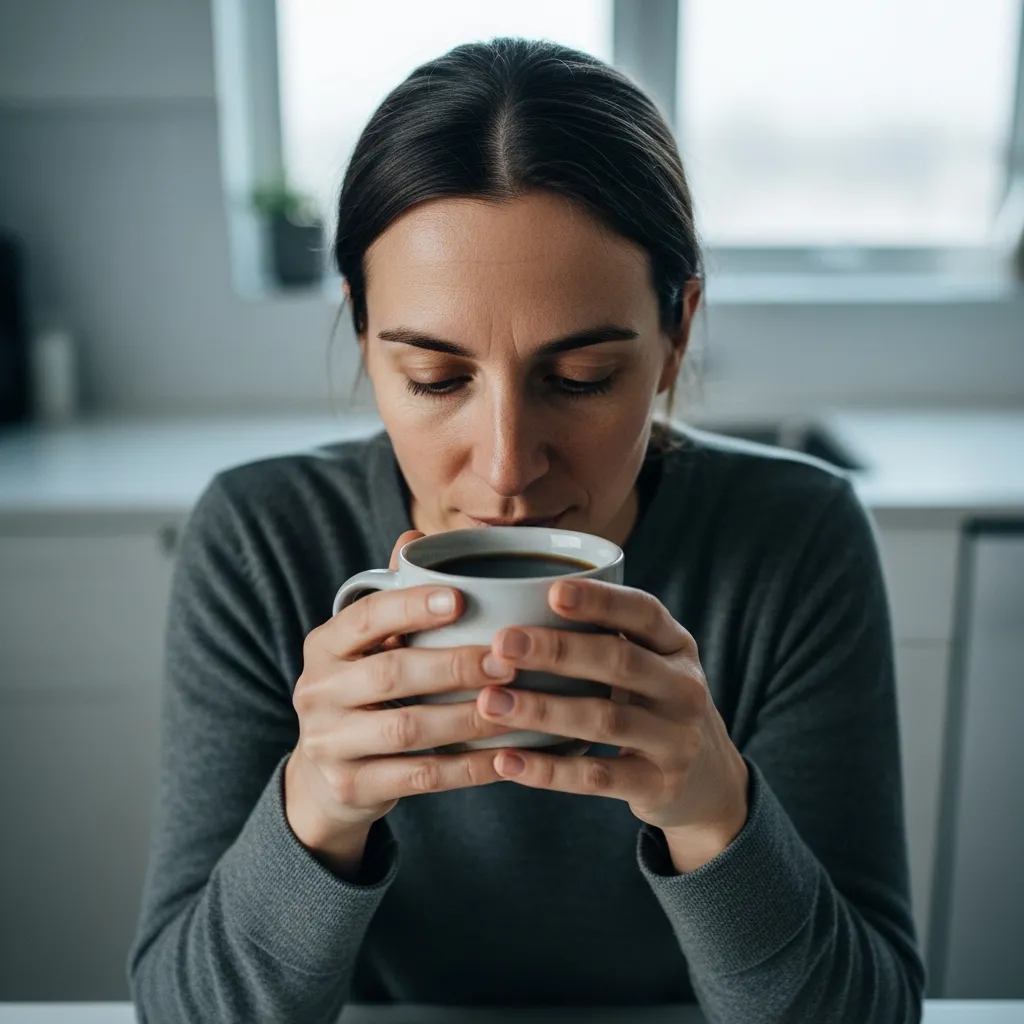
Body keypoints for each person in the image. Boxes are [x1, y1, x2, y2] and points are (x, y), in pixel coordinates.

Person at [128, 36, 925, 1023]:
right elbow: (185, 1011)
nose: (506, 467)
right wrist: (316, 806)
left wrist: (715, 811)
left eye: (580, 379)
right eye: (435, 378)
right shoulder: (260, 539)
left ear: (677, 332)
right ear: (363, 332)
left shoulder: (794, 541)